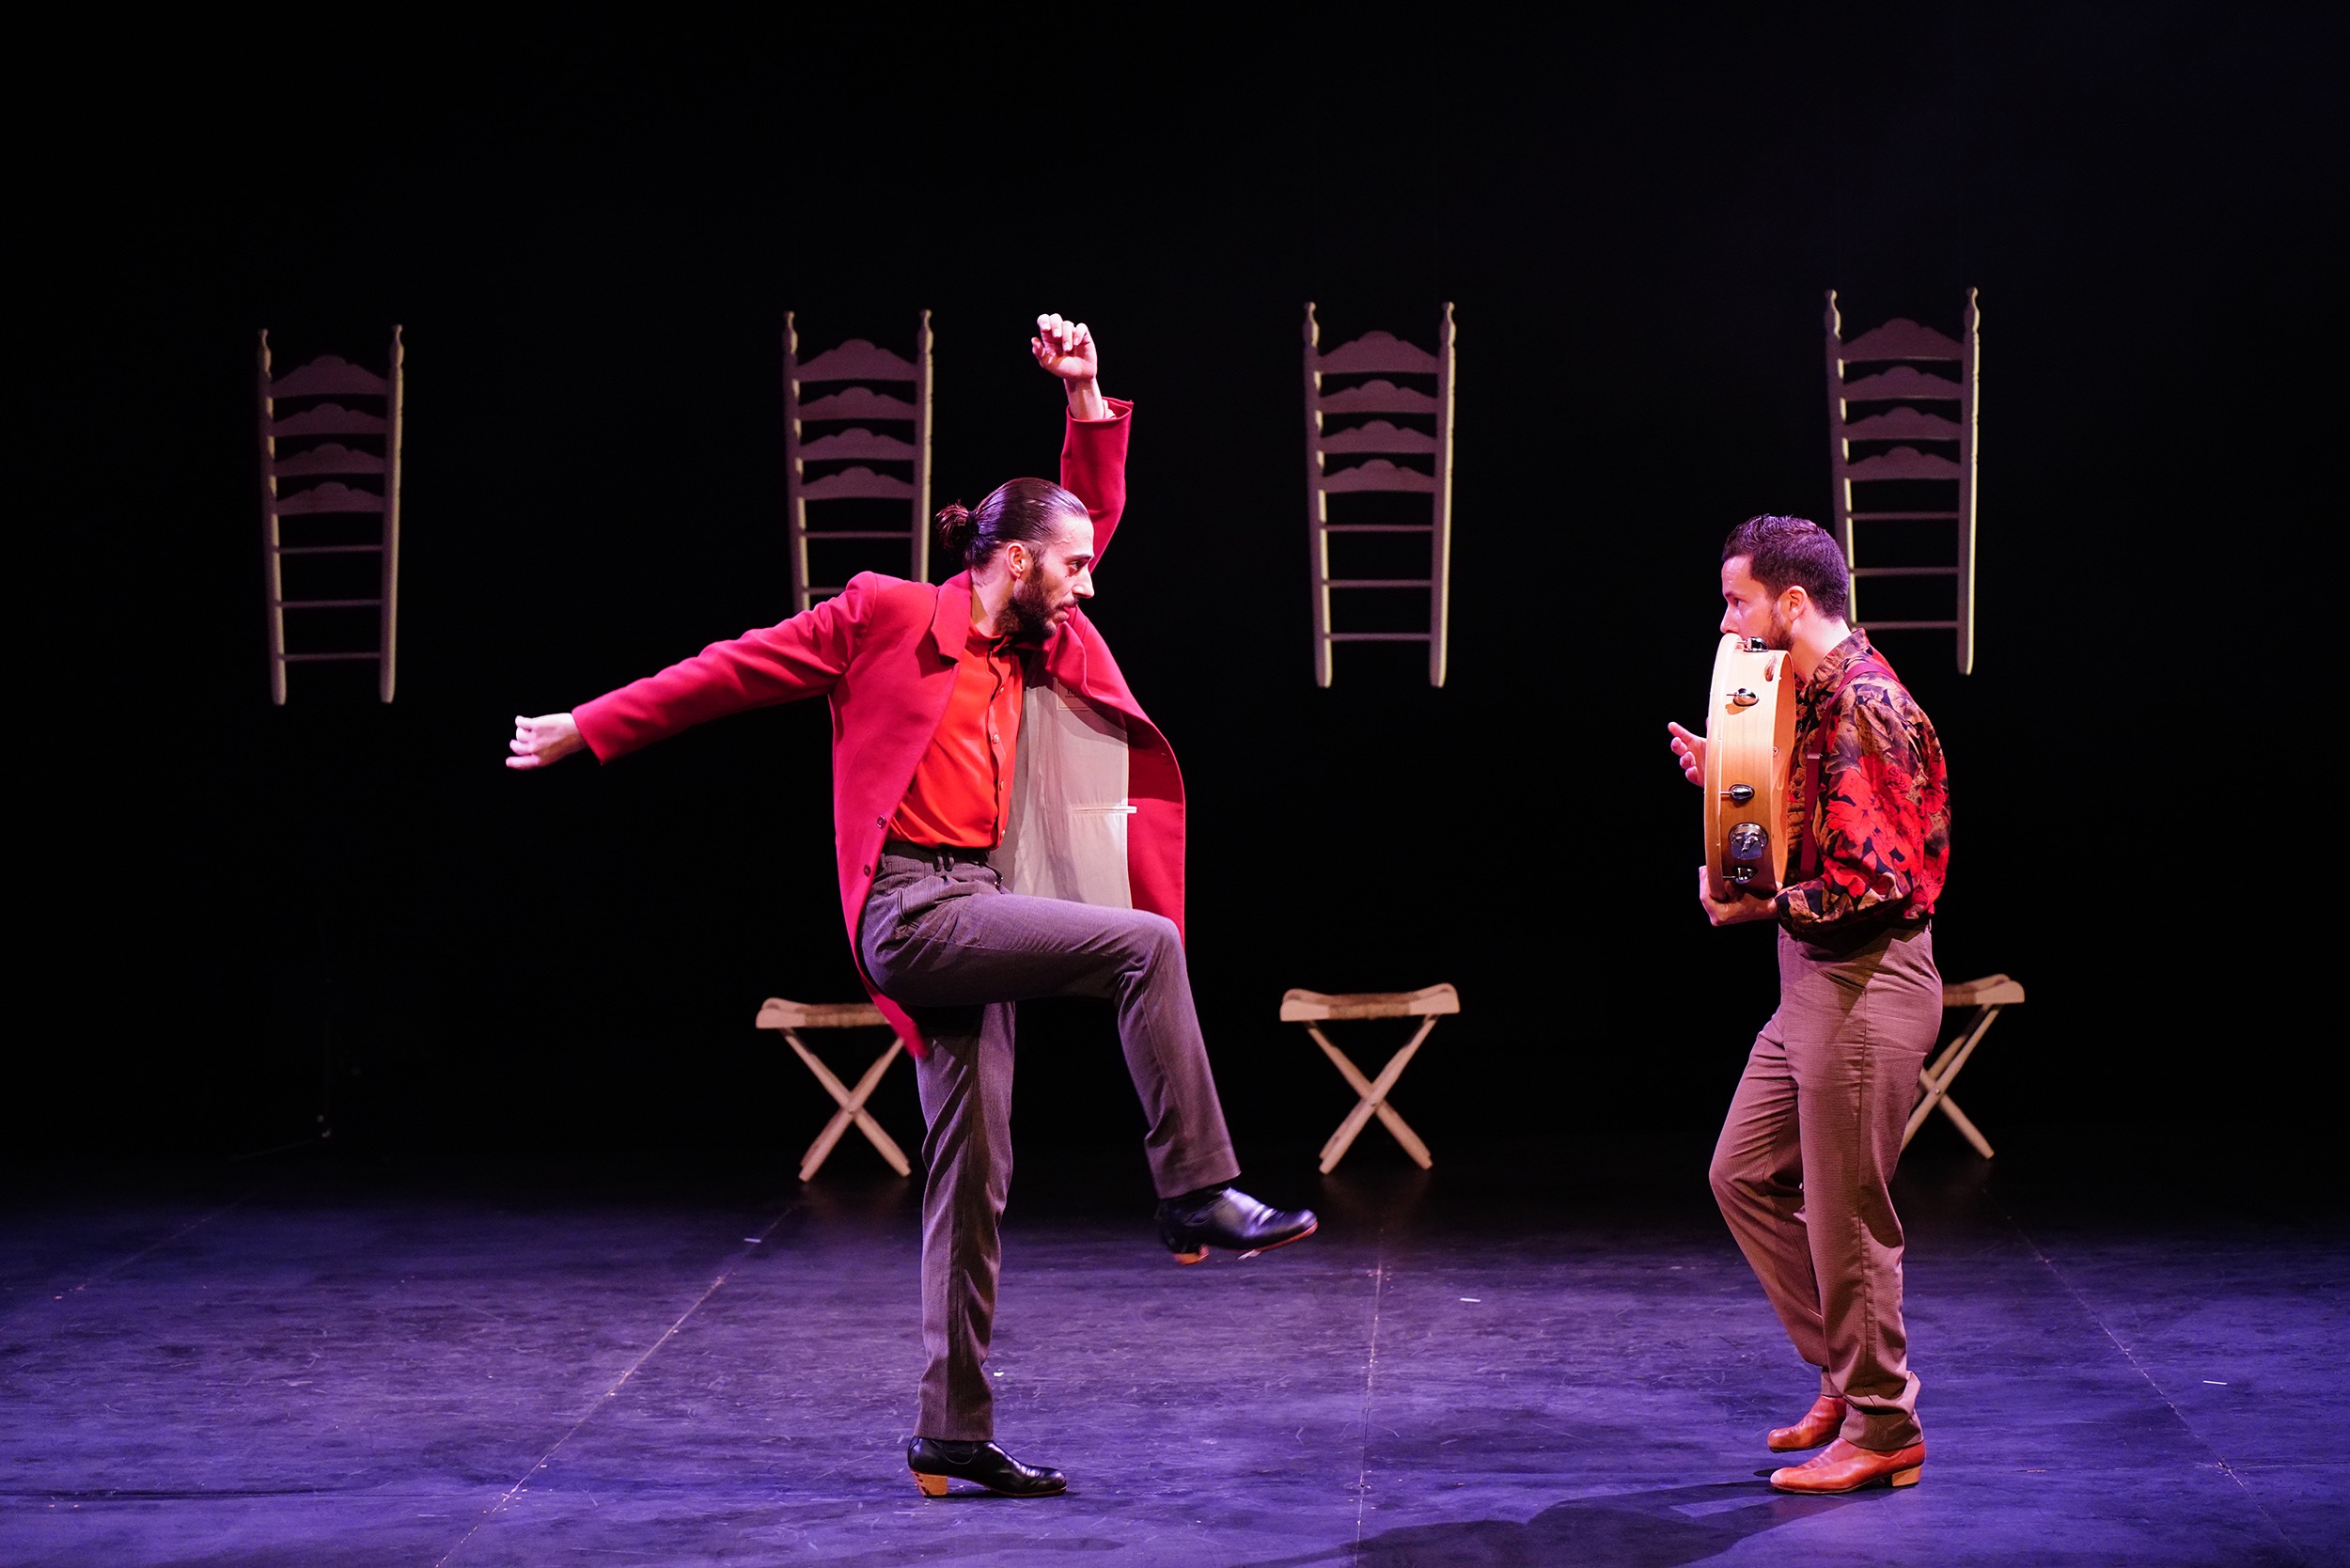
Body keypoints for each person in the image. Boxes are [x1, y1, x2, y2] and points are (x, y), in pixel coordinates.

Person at [508, 314, 1315, 1498]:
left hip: (978, 908)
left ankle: (949, 1431)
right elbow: (732, 667)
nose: (1089, 581)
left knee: (971, 1172)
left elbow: (1089, 506)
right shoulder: (886, 613)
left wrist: (1087, 397)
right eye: (1073, 564)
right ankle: (1192, 1188)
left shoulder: (1040, 640)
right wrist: (594, 725)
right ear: (1017, 558)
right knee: (1146, 947)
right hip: (911, 913)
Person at [1665, 515, 1950, 1495]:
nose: (1727, 620)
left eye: (1737, 599)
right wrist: (1729, 783)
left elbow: (1875, 879)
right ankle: (1843, 1369)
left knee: (1845, 1215)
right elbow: (1821, 823)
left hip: (1864, 978)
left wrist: (1757, 904)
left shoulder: (1862, 700)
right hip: (1815, 982)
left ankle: (1882, 1426)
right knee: (1740, 1174)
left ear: (1792, 602)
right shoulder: (1811, 705)